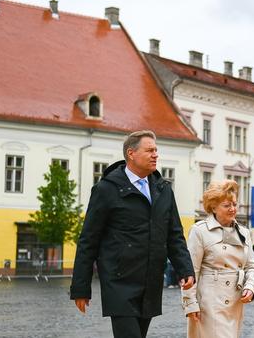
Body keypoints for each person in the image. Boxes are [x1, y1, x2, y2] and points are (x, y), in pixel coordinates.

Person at [70, 131, 195, 338]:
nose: (155, 155)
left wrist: (185, 269)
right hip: (119, 282)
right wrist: (80, 288)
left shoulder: (163, 190)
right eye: (149, 150)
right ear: (131, 153)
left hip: (151, 280)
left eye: (156, 150)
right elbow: (88, 240)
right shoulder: (106, 189)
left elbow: (174, 235)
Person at [182, 180, 254, 338]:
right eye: (226, 205)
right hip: (209, 303)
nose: (232, 209)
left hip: (235, 302)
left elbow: (252, 266)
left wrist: (250, 287)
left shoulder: (243, 233)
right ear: (213, 207)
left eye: (235, 204)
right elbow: (190, 272)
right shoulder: (199, 231)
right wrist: (190, 304)